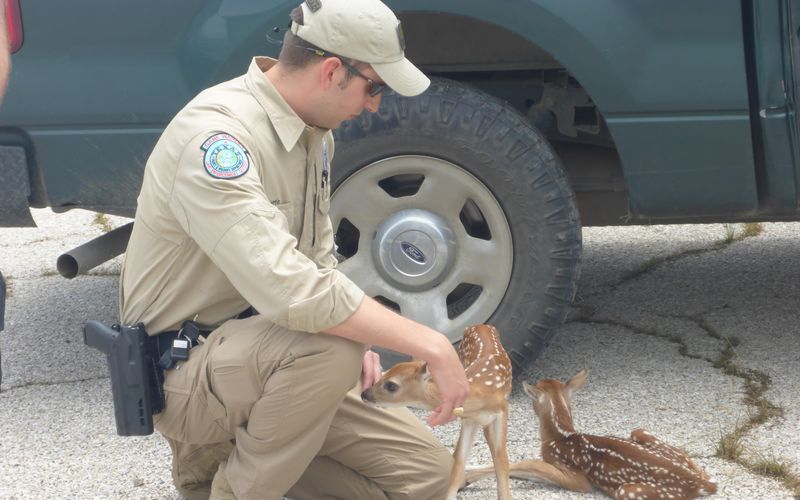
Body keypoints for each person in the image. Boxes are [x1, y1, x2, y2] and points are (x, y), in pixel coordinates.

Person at [119, 0, 470, 498]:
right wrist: (429, 342)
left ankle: (226, 469)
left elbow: (317, 261)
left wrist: (365, 341)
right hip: (189, 374)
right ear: (332, 71)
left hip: (275, 361)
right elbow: (293, 291)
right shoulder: (217, 140)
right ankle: (224, 480)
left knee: (427, 476)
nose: (375, 104)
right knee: (330, 345)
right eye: (375, 87)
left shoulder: (312, 136)